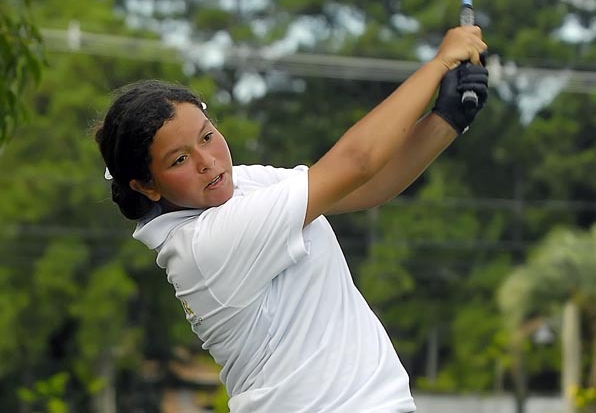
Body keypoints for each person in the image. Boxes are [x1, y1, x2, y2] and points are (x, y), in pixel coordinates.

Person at [95, 26, 488, 413]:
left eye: (206, 135)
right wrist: (438, 64)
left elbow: (365, 186)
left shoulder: (239, 185)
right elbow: (357, 162)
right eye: (179, 159)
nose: (207, 161)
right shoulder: (207, 242)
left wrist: (448, 118)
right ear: (146, 186)